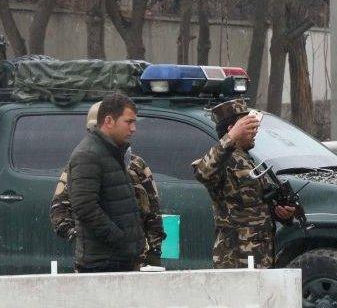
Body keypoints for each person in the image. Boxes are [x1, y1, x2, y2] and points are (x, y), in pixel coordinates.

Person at [51, 102, 165, 269]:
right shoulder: (83, 161)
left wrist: (153, 251)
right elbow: (63, 211)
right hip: (103, 259)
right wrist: (84, 236)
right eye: (128, 122)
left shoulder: (137, 166)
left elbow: (153, 212)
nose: (132, 129)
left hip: (134, 259)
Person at [192, 99, 294, 268]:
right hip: (235, 259)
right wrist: (231, 138)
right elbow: (203, 172)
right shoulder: (222, 162)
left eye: (254, 126)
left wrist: (281, 213)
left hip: (261, 256)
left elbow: (255, 207)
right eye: (248, 127)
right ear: (231, 130)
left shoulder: (248, 160)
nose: (254, 132)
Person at [65, 93, 144, 273]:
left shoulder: (112, 152)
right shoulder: (88, 155)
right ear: (109, 121)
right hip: (102, 264)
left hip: (118, 261)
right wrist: (120, 239)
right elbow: (85, 207)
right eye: (128, 122)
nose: (133, 129)